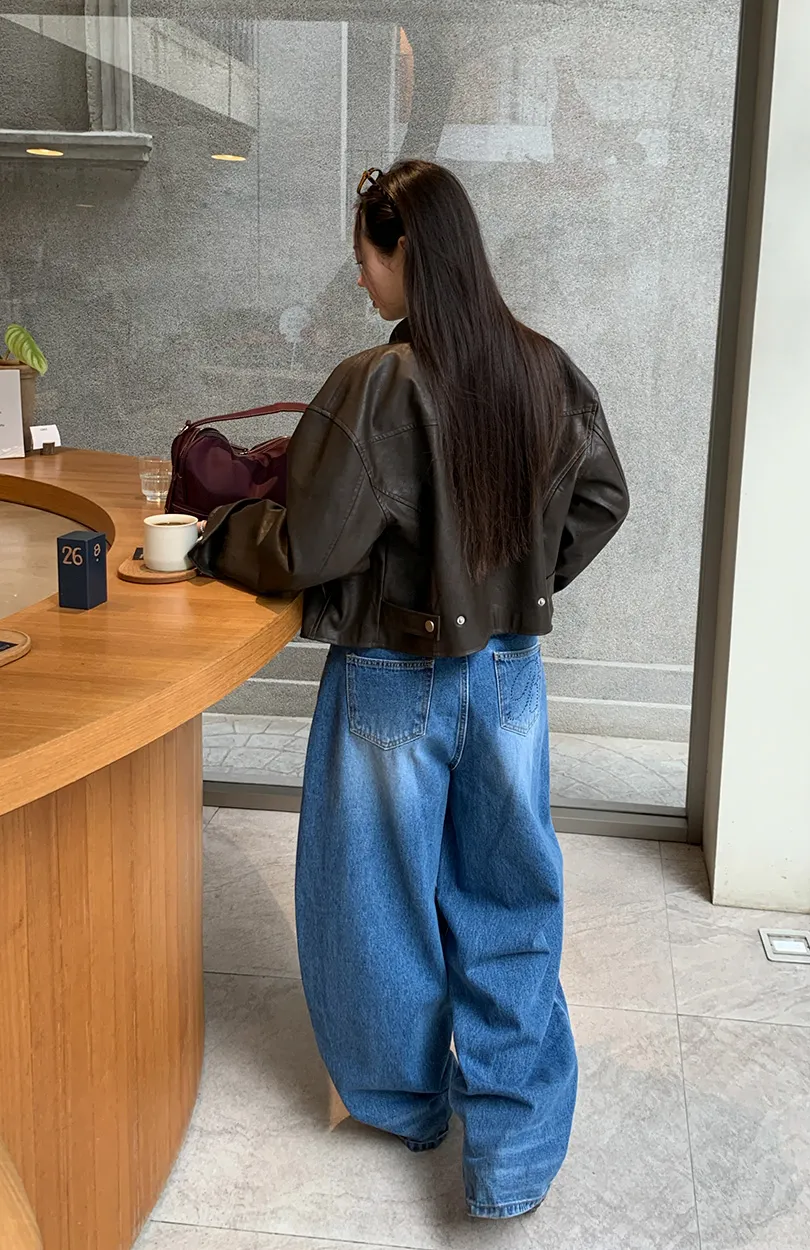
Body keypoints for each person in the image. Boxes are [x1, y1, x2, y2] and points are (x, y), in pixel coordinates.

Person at [192, 159, 629, 1219]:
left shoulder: (377, 383)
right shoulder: (545, 369)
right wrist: (517, 583)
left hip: (394, 679)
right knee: (510, 899)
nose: (360, 280)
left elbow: (307, 547)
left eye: (364, 259)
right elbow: (602, 499)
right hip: (510, 680)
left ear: (404, 254)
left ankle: (406, 1105)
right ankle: (515, 1154)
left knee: (373, 903)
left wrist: (217, 533)